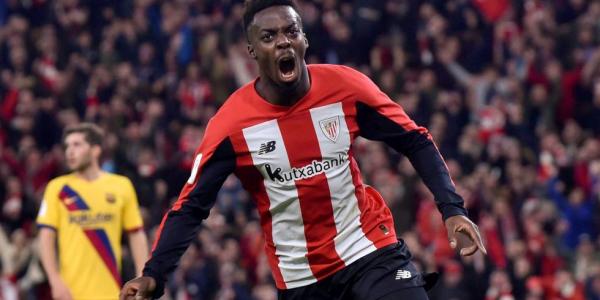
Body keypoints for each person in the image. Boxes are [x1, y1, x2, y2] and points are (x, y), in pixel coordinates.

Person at [121, 1, 486, 299]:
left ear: (304, 40)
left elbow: (414, 138)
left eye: (290, 31)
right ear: (252, 51)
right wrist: (154, 275)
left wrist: (451, 208)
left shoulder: (346, 87)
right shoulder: (231, 125)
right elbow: (190, 207)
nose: (282, 42)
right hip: (301, 279)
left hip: (369, 249)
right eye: (269, 36)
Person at [37, 123, 149, 300]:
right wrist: (54, 279)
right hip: (69, 294)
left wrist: (141, 277)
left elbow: (136, 234)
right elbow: (45, 237)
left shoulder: (121, 186)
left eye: (77, 145)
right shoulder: (57, 188)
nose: (69, 151)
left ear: (95, 150)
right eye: (67, 146)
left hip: (111, 292)